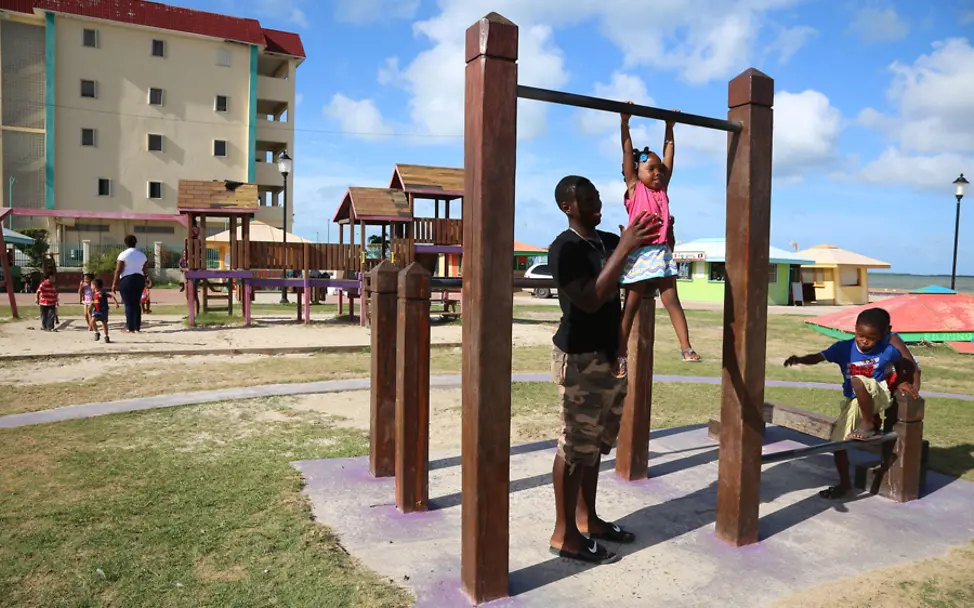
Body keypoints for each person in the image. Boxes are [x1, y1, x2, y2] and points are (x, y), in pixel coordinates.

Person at [548, 174, 661, 565]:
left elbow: (642, 281)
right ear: (568, 206)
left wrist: (659, 237)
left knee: (596, 444)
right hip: (578, 358)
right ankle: (565, 535)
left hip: (611, 356)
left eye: (598, 195)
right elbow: (592, 299)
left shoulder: (609, 242)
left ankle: (588, 519)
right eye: (588, 198)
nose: (598, 202)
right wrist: (626, 245)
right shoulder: (564, 249)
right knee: (575, 445)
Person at [784, 307, 920, 499]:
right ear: (855, 329)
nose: (864, 341)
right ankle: (845, 484)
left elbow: (904, 364)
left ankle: (870, 423)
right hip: (855, 401)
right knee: (837, 444)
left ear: (882, 336)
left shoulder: (888, 350)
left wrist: (902, 381)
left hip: (879, 394)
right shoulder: (844, 348)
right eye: (860, 335)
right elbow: (819, 357)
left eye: (871, 338)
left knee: (858, 379)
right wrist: (800, 359)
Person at [616, 104, 698, 376]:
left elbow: (669, 157)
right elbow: (628, 153)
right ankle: (620, 352)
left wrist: (670, 127)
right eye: (651, 169)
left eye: (659, 170)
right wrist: (625, 123)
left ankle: (685, 347)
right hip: (640, 253)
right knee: (632, 303)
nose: (657, 173)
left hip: (661, 252)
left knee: (671, 299)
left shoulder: (662, 189)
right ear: (636, 173)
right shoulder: (634, 187)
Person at [112, 234, 148, 333]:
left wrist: (114, 283)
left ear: (125, 243)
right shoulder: (142, 255)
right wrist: (146, 279)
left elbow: (118, 270)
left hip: (127, 279)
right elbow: (145, 269)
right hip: (139, 279)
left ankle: (129, 327)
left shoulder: (123, 254)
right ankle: (137, 327)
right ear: (135, 243)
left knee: (128, 304)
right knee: (136, 303)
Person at [89, 278, 119, 343]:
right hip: (96, 311)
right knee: (92, 321)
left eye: (91, 285)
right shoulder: (94, 294)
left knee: (104, 323)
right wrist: (91, 306)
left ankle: (106, 336)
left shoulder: (102, 293)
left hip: (103, 311)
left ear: (95, 286)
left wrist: (116, 303)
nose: (90, 287)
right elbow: (94, 302)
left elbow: (112, 296)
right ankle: (96, 332)